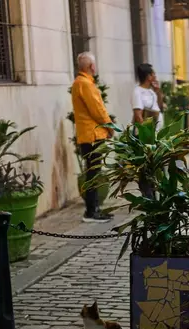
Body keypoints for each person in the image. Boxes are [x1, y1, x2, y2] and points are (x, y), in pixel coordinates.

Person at [71, 52, 114, 223]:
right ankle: (91, 211)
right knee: (93, 173)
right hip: (93, 135)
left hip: (89, 134)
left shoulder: (80, 83)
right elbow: (97, 109)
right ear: (91, 67)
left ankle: (94, 208)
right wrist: (109, 126)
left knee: (93, 171)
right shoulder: (85, 84)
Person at [132, 63, 164, 129]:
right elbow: (138, 115)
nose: (155, 76)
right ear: (148, 76)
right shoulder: (137, 92)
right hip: (148, 133)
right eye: (153, 74)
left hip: (157, 130)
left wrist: (158, 92)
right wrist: (146, 133)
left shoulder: (151, 90)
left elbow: (160, 107)